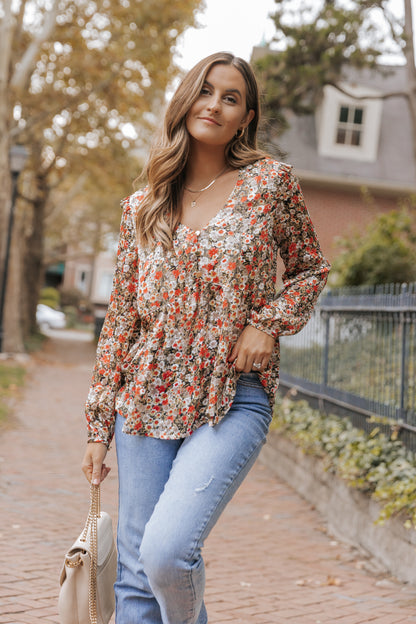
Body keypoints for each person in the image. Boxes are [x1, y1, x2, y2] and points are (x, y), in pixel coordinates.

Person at [81, 51, 330, 624]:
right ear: (186, 99)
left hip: (232, 394)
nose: (214, 105)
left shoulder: (270, 184)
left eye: (231, 97)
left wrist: (266, 322)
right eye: (205, 91)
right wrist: (98, 426)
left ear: (245, 117)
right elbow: (121, 318)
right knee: (137, 581)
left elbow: (311, 268)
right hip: (144, 397)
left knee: (167, 553)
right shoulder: (142, 206)